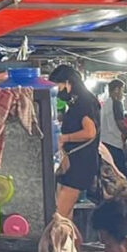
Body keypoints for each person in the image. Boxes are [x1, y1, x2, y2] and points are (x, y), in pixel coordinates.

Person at [48, 65, 100, 219]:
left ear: (67, 82)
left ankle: (63, 242)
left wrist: (64, 138)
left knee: (59, 217)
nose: (57, 91)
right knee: (66, 216)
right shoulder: (77, 101)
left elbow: (90, 132)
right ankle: (71, 243)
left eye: (57, 86)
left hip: (80, 164)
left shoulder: (83, 101)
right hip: (76, 163)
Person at [100, 80, 127, 177]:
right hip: (114, 144)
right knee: (121, 174)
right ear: (116, 90)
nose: (123, 94)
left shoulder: (105, 104)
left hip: (105, 142)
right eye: (122, 90)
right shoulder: (116, 103)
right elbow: (120, 123)